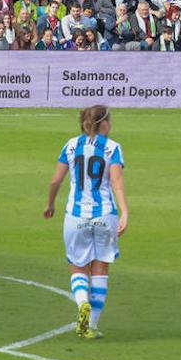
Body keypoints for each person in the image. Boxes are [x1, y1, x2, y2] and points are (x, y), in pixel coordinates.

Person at [43, 104, 129, 340]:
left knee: (78, 267)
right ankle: (91, 325)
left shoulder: (70, 146)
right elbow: (116, 182)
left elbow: (55, 181)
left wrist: (50, 204)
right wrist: (124, 212)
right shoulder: (112, 148)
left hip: (75, 216)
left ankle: (82, 303)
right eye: (110, 121)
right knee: (100, 269)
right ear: (104, 124)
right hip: (104, 215)